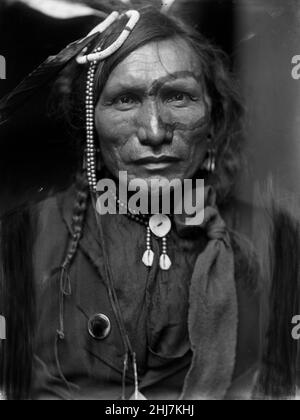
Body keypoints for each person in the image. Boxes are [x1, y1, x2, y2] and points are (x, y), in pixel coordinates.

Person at [0, 5, 293, 401]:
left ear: (214, 117)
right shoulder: (21, 241)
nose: (154, 131)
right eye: (125, 100)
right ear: (90, 122)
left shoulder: (275, 239)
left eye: (178, 96)